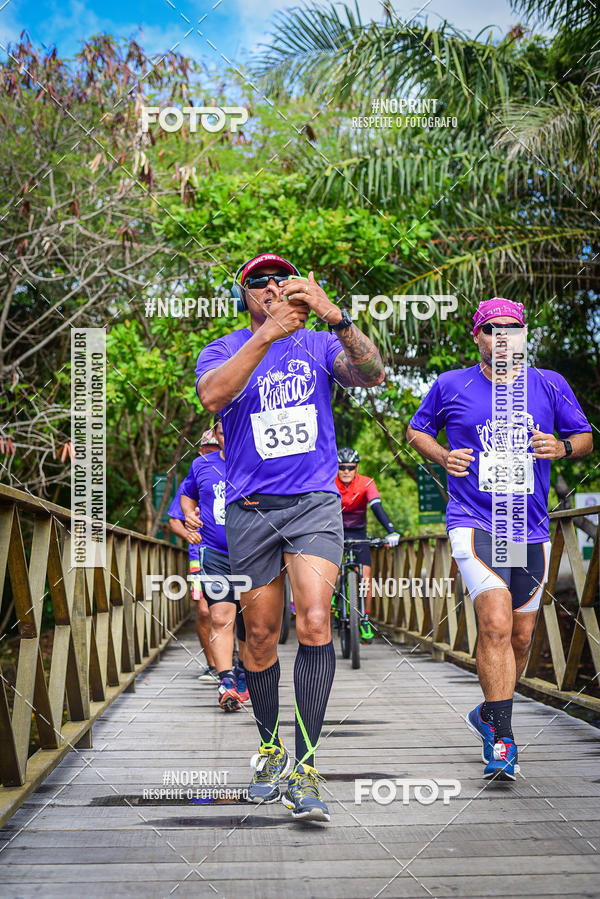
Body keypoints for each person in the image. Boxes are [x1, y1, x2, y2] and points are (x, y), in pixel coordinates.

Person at [194, 251, 384, 821]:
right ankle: (270, 750)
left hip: (312, 503)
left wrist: (335, 315)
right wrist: (269, 333)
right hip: (250, 508)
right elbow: (211, 397)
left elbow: (373, 374)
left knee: (316, 620)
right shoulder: (225, 348)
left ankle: (305, 765)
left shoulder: (321, 344)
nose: (273, 286)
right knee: (259, 635)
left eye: (282, 278)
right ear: (244, 295)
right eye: (259, 281)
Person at [407, 298, 593, 780]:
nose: (503, 337)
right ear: (478, 338)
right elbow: (416, 429)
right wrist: (443, 455)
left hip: (529, 527)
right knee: (493, 622)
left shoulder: (549, 384)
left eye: (513, 328)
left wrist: (563, 446)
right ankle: (504, 742)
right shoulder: (453, 384)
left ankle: (490, 711)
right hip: (474, 521)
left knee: (520, 636)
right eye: (493, 329)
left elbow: (585, 437)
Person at [180, 419, 249, 712]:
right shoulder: (201, 464)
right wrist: (189, 515)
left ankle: (246, 674)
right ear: (217, 434)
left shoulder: (256, 460)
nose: (228, 434)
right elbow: (187, 494)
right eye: (223, 430)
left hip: (252, 551)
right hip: (216, 552)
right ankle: (226, 682)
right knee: (221, 617)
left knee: (252, 623)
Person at [167, 428, 219, 682]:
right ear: (201, 451)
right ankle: (212, 664)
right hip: (200, 554)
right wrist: (188, 534)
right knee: (205, 610)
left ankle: (236, 663)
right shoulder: (196, 475)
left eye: (217, 448)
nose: (214, 452)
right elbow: (174, 520)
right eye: (209, 449)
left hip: (233, 551)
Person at [335, 447, 400, 642]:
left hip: (358, 532)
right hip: (334, 531)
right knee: (330, 570)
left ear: (356, 468)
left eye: (350, 467)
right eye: (342, 467)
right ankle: (334, 597)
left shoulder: (366, 482)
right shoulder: (329, 482)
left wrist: (391, 531)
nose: (346, 471)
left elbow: (376, 507)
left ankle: (364, 618)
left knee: (365, 576)